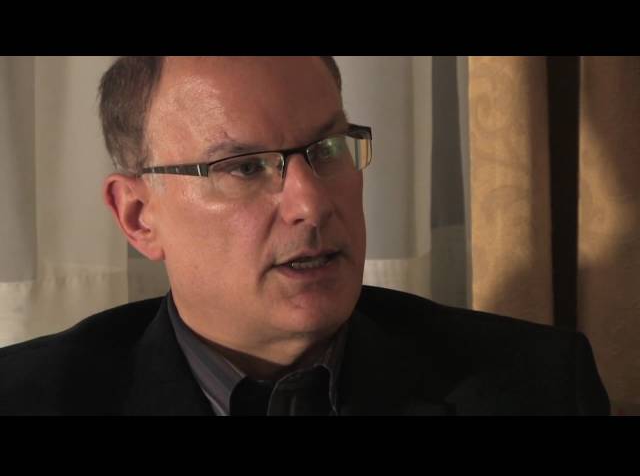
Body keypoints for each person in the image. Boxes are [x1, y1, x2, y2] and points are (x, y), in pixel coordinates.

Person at [0, 56, 610, 415]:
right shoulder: (28, 400)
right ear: (139, 216)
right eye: (244, 167)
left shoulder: (538, 387)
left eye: (328, 149)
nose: (311, 203)